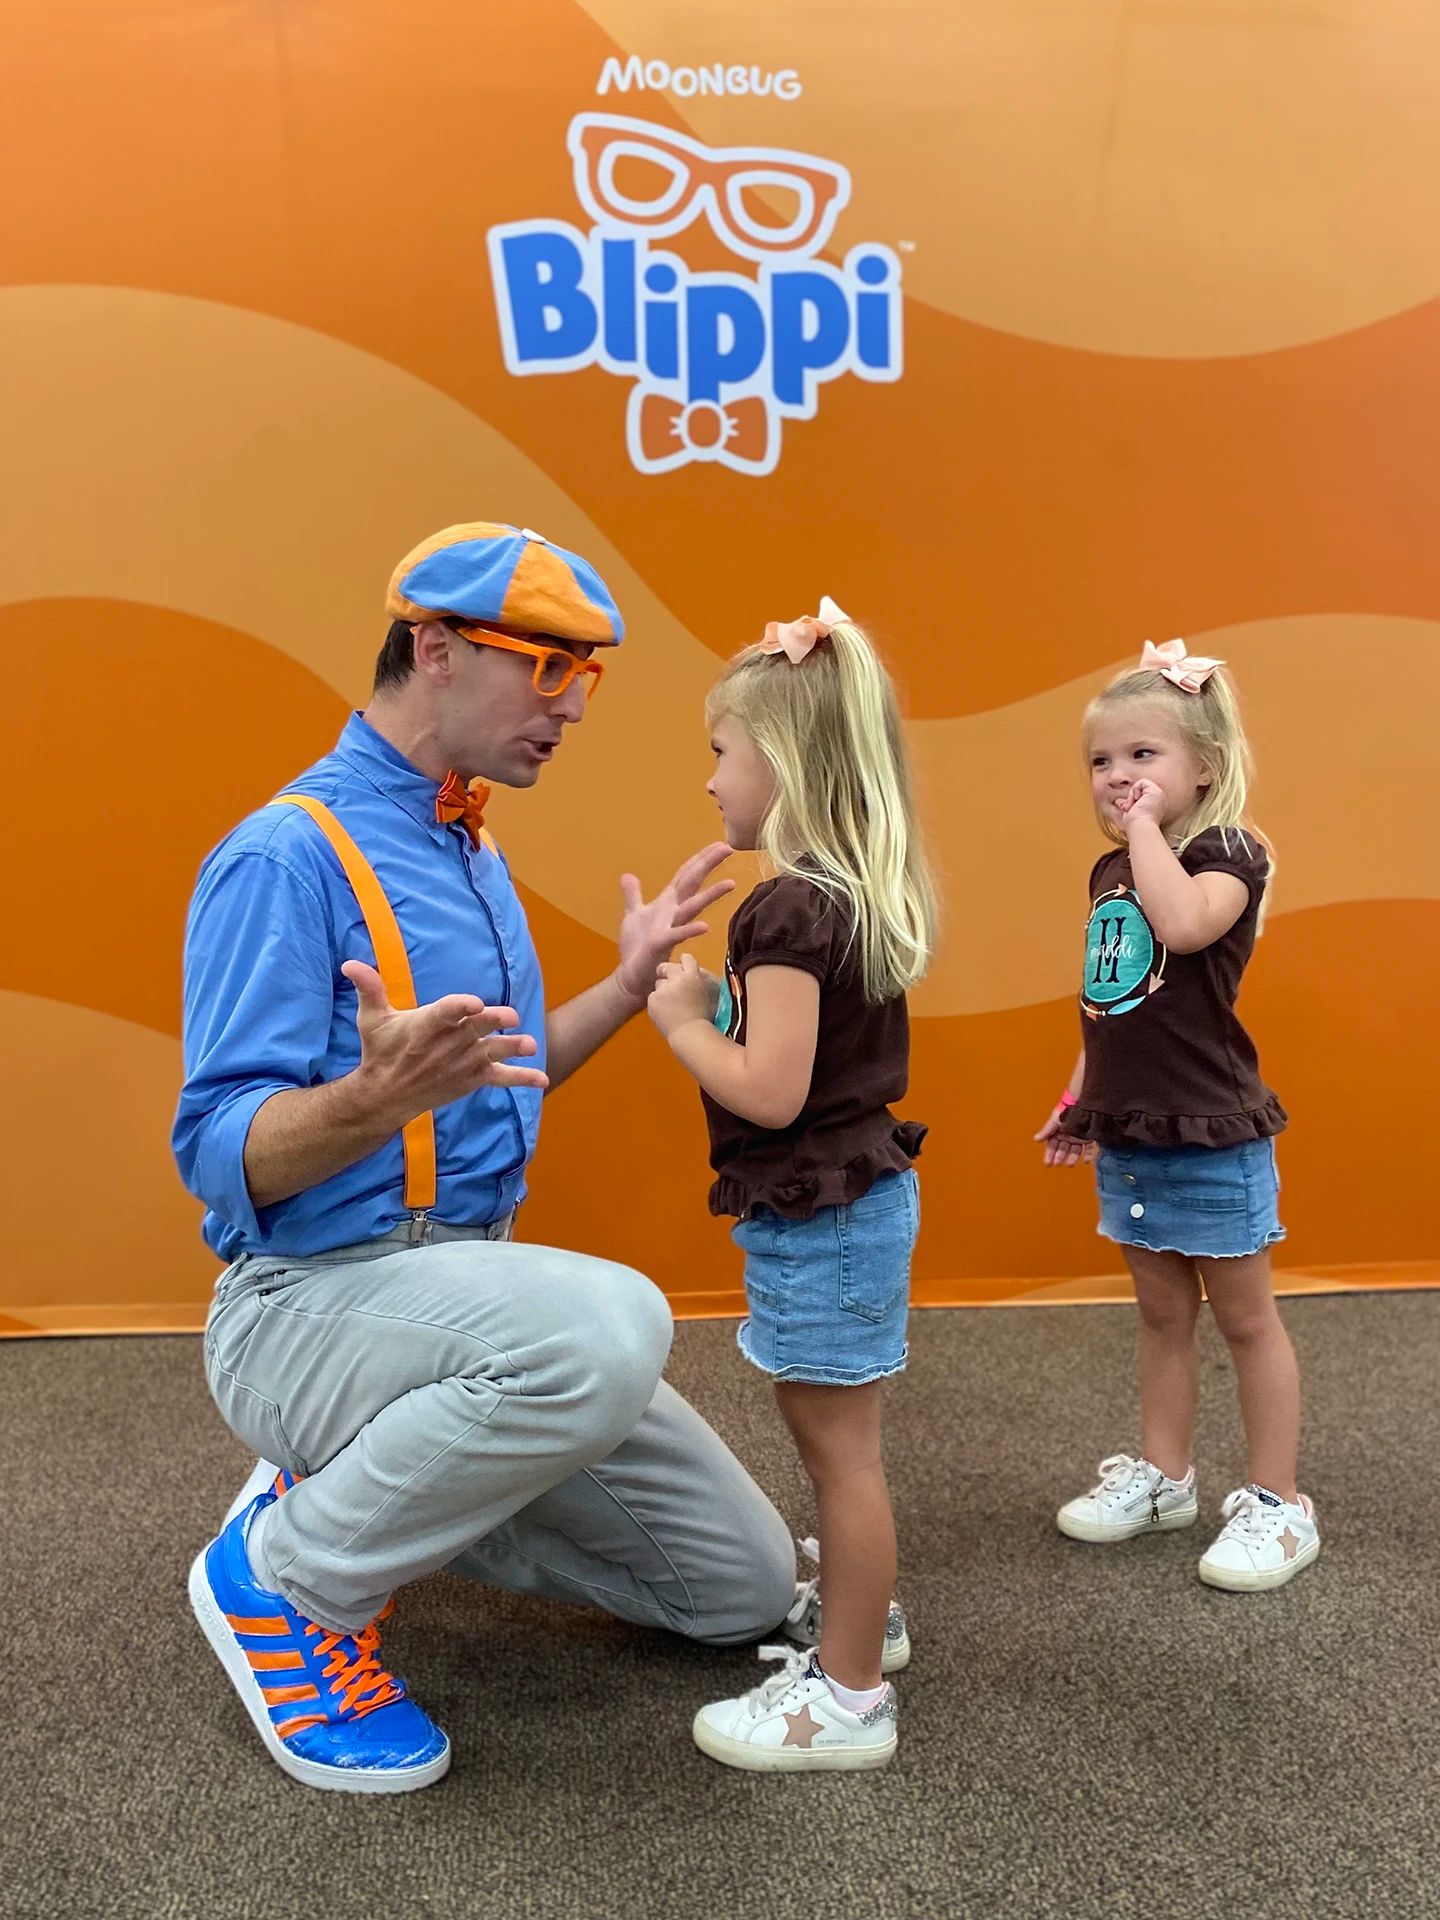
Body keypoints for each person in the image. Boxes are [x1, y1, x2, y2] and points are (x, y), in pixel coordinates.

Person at [174, 522, 795, 1794]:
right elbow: (218, 1151)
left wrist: (626, 986)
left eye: (588, 676)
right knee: (613, 1326)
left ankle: (362, 1486)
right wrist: (370, 1098)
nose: (572, 708)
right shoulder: (285, 856)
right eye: (548, 669)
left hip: (459, 1309)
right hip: (307, 1302)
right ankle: (288, 1576)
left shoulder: (470, 843)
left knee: (741, 1587)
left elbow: (498, 1077)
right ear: (437, 649)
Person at [646, 597, 937, 1772]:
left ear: (784, 761)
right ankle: (865, 1625)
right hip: (846, 1204)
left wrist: (682, 1022)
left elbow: (770, 1091)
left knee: (839, 1458)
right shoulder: (843, 893)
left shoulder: (785, 907)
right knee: (839, 1447)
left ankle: (850, 1698)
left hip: (827, 1215)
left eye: (722, 751)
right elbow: (801, 1062)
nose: (711, 778)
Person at [1036, 638, 1319, 1591]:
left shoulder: (1229, 854)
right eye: (1101, 760)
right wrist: (1082, 1099)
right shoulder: (1110, 871)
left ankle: (1279, 1502)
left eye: (1143, 755)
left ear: (1205, 766)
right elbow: (1112, 1000)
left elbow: (1187, 925)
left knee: (1247, 1321)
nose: (1118, 776)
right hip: (1135, 1130)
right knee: (1161, 1316)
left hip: (1211, 1131)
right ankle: (1165, 1478)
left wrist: (1146, 835)